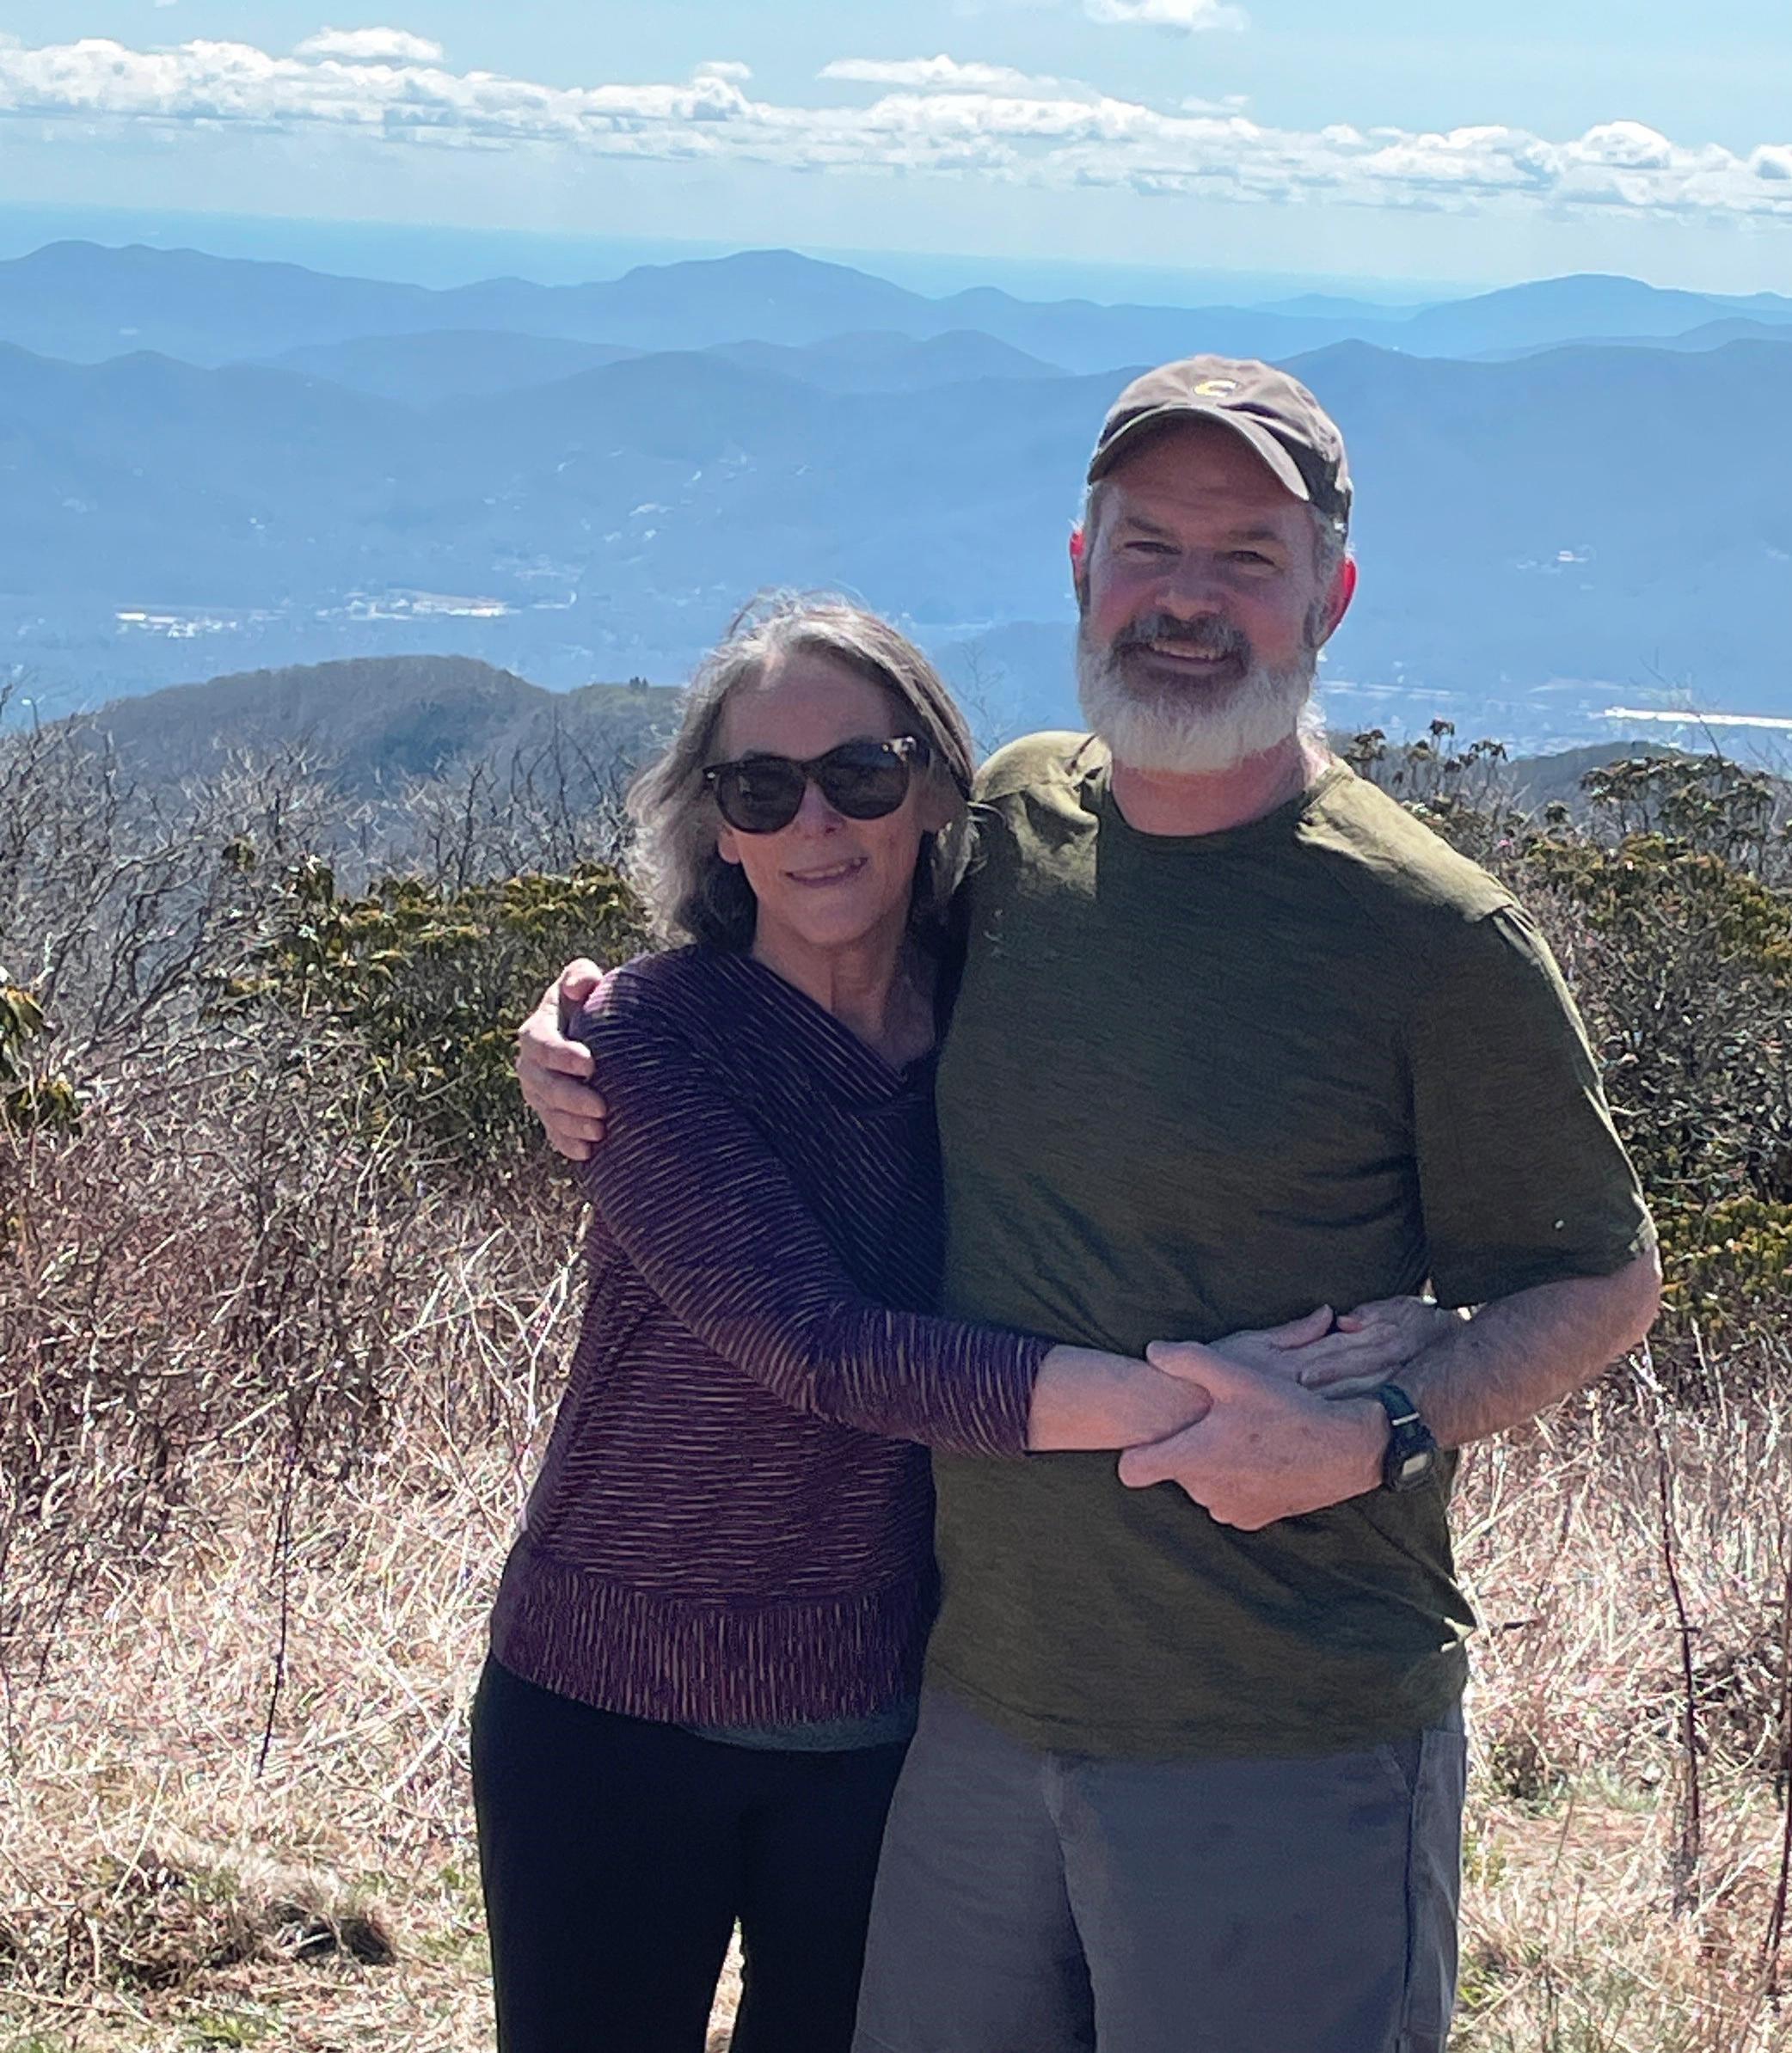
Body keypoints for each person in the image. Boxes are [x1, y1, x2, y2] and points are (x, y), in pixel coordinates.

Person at [518, 358, 1663, 2053]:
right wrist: (585, 1026)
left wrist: (1370, 1437)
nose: (1188, 599)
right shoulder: (1020, 830)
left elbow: (1605, 1282)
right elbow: (810, 989)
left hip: (1280, 1727)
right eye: (1149, 545)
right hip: (968, 1715)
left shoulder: (1432, 933)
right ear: (1079, 564)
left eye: (1248, 556)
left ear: (1328, 595)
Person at [475, 594, 1378, 2053]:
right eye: (761, 788)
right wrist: (1191, 1406)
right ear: (717, 827)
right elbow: (816, 1349)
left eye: (862, 774)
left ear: (941, 787)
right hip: (608, 1703)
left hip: (886, 1713)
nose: (815, 822)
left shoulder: (1000, 1022)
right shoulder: (648, 1040)